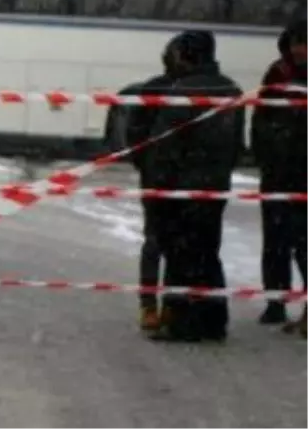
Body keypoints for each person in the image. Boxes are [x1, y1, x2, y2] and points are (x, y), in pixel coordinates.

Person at [145, 30, 242, 342]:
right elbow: (236, 143)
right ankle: (214, 321)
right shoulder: (231, 89)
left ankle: (181, 323)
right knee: (208, 254)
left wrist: (158, 186)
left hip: (181, 186)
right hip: (214, 185)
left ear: (185, 55)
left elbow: (165, 146)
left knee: (179, 256)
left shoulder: (182, 91)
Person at [117, 40, 180, 332]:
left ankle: (150, 306)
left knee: (155, 242)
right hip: (180, 180)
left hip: (159, 180)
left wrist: (147, 166)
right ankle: (167, 306)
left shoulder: (158, 88)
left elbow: (135, 136)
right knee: (176, 245)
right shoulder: (193, 89)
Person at [251, 20, 308, 331]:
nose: (299, 50)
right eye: (295, 43)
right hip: (277, 173)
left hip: (303, 176)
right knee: (275, 242)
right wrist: (265, 156)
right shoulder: (277, 73)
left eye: (304, 43)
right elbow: (260, 117)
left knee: (304, 243)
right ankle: (275, 302)